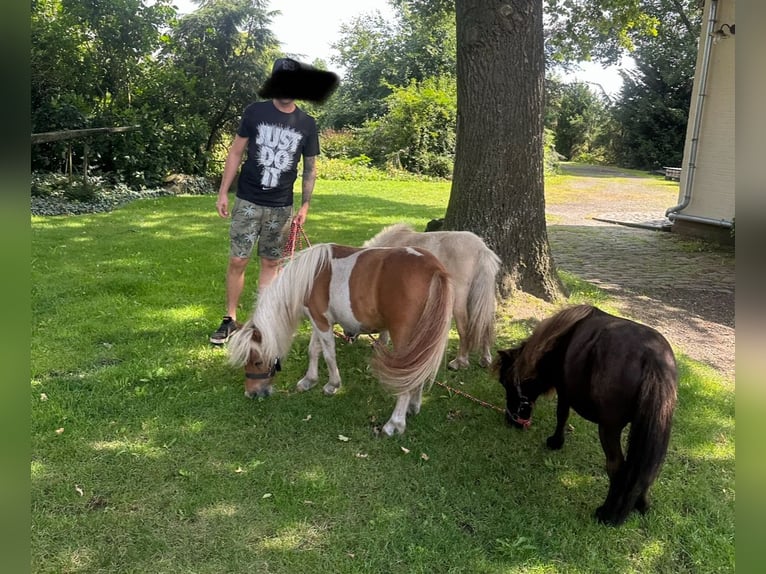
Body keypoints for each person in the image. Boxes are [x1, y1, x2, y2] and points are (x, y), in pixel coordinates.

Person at [209, 58, 336, 345]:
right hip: (248, 199)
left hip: (281, 206)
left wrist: (305, 205)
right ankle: (229, 319)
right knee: (238, 259)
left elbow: (311, 168)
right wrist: (223, 192)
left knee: (271, 262)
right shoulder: (255, 112)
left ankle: (261, 320)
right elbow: (235, 153)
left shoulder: (306, 124)